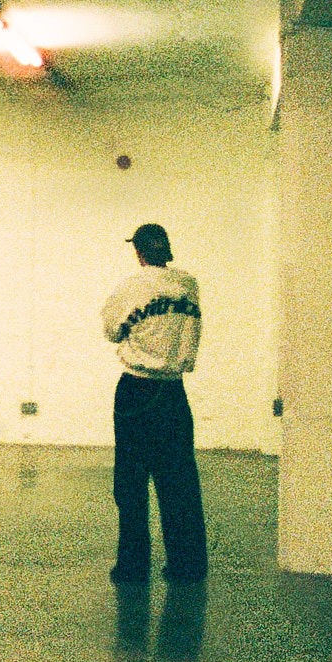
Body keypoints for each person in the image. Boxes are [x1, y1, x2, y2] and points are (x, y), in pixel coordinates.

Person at [101, 222, 206, 585]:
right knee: (179, 481)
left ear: (139, 251)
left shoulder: (132, 286)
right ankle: (188, 564)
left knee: (130, 481)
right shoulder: (189, 285)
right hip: (174, 394)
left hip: (137, 390)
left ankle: (133, 566)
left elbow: (111, 330)